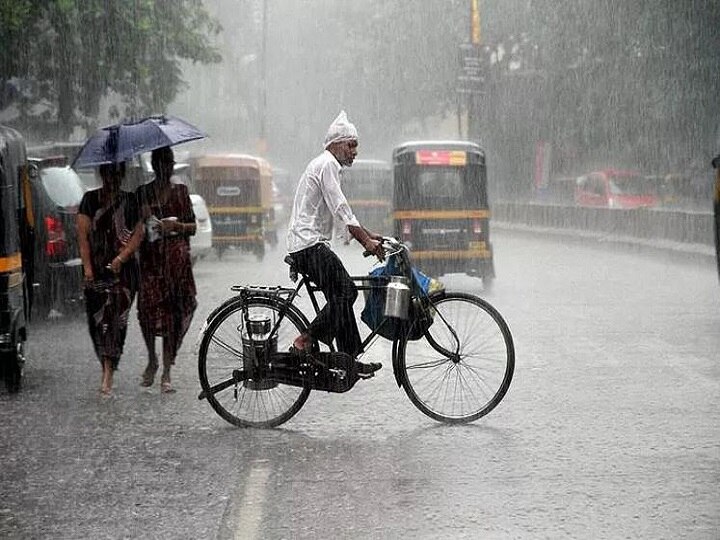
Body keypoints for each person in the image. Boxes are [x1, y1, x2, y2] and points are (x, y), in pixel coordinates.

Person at [286, 111, 385, 377]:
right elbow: (341, 208)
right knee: (347, 292)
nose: (355, 151)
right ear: (336, 144)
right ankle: (305, 339)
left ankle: (348, 359)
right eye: (351, 145)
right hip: (307, 244)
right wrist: (365, 240)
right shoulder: (327, 163)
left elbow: (342, 212)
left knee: (340, 295)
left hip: (307, 242)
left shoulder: (326, 164)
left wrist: (370, 235)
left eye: (356, 146)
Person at [76, 162, 144, 395]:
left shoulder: (130, 201)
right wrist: (87, 268)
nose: (113, 178)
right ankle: (106, 361)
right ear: (102, 174)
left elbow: (138, 233)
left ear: (122, 175)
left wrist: (122, 258)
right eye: (108, 174)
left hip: (123, 274)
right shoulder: (89, 200)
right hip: (96, 271)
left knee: (115, 320)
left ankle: (108, 373)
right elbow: (83, 236)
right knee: (97, 322)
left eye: (117, 174)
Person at [136, 146, 197, 393]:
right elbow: (134, 228)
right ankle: (152, 358)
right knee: (146, 312)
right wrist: (144, 217)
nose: (166, 168)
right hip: (150, 263)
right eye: (161, 163)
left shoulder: (181, 192)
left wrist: (176, 226)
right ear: (155, 165)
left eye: (169, 163)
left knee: (173, 316)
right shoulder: (143, 193)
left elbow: (193, 227)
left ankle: (167, 372)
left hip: (176, 266)